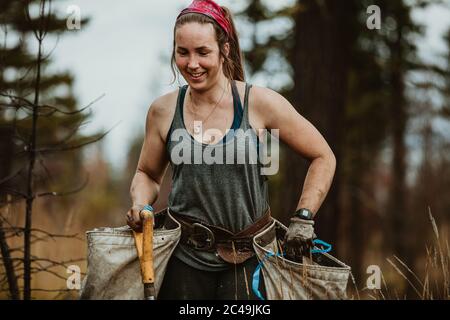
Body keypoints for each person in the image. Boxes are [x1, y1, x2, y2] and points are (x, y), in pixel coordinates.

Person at [126, 0, 336, 300]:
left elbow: (322, 156)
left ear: (224, 49)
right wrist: (140, 203)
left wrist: (304, 216)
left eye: (203, 52)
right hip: (183, 262)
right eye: (182, 52)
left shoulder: (260, 104)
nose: (192, 63)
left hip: (250, 262)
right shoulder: (163, 110)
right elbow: (147, 173)